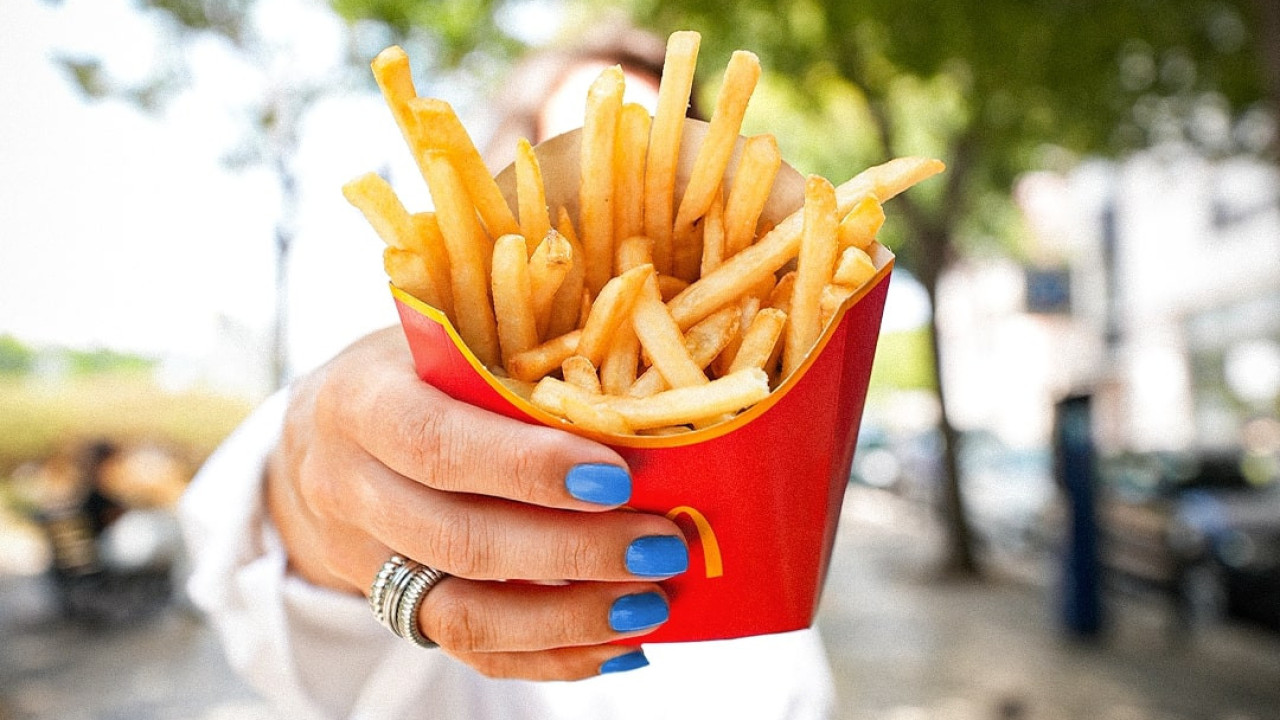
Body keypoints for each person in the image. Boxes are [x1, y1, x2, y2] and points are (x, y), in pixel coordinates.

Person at [180, 21, 836, 720]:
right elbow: (270, 612)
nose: (632, 173)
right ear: (506, 176)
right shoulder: (420, 377)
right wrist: (309, 495)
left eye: (669, 140)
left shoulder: (783, 370)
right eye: (591, 148)